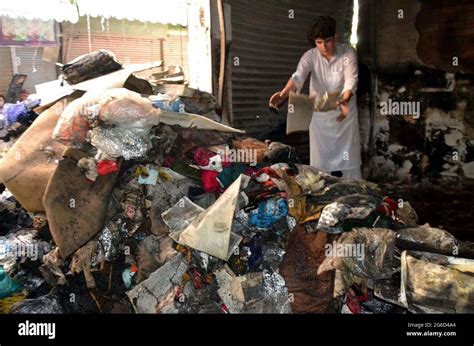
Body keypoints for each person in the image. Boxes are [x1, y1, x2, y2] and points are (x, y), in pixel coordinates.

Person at [269, 16, 362, 179]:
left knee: (348, 159)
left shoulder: (348, 52)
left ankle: (354, 188)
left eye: (327, 41)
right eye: (319, 42)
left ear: (336, 37)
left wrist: (344, 98)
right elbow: (298, 77)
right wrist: (284, 93)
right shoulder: (310, 56)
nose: (324, 46)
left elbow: (351, 80)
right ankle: (323, 192)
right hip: (320, 117)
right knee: (321, 163)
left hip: (344, 115)